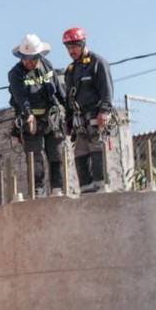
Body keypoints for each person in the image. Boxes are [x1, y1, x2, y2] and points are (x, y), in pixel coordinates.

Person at [8, 33, 66, 196]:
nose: (28, 62)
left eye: (32, 58)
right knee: (35, 159)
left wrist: (68, 111)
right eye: (25, 58)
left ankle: (57, 189)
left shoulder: (47, 66)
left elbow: (59, 91)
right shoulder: (15, 73)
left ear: (39, 56)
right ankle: (38, 192)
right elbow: (21, 98)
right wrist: (29, 115)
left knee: (56, 154)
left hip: (52, 119)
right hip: (31, 120)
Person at [62, 26, 115, 193]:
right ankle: (86, 190)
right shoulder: (70, 70)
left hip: (95, 115)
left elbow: (107, 90)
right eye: (68, 47)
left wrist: (104, 112)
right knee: (80, 153)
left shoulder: (98, 63)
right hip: (79, 120)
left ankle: (102, 188)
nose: (71, 51)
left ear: (82, 43)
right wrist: (68, 121)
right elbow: (69, 98)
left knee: (97, 148)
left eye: (74, 46)